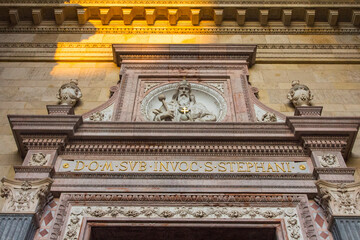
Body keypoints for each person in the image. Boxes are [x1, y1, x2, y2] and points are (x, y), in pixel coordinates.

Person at [152, 80, 216, 122]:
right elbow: (155, 120)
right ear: (177, 91)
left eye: (186, 89)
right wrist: (165, 114)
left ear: (189, 92)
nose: (184, 91)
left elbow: (212, 117)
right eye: (181, 88)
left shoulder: (198, 107)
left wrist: (198, 120)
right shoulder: (169, 106)